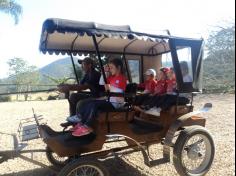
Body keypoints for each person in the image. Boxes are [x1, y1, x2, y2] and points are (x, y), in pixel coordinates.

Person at [70, 58, 127, 137]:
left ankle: (87, 126)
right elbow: (101, 82)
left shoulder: (122, 78)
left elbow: (114, 92)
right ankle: (81, 122)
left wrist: (106, 93)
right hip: (110, 100)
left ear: (119, 67)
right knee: (89, 102)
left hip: (116, 103)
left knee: (94, 105)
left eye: (112, 67)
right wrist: (105, 72)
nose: (110, 69)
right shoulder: (112, 77)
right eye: (109, 68)